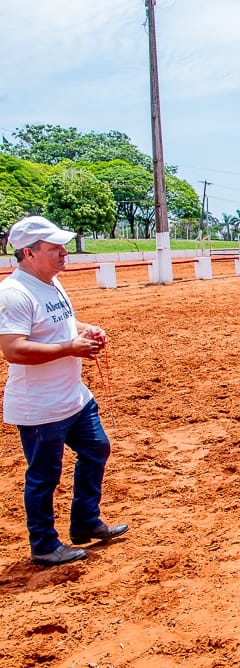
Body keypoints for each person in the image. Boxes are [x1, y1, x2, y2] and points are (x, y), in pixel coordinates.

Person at [0, 216, 128, 566]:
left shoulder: (50, 283)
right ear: (29, 253)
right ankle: (43, 544)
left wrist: (87, 330)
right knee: (44, 476)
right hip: (40, 406)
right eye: (54, 248)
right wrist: (71, 348)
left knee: (97, 448)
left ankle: (85, 521)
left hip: (72, 397)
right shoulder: (14, 294)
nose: (63, 252)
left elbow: (62, 324)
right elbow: (13, 348)